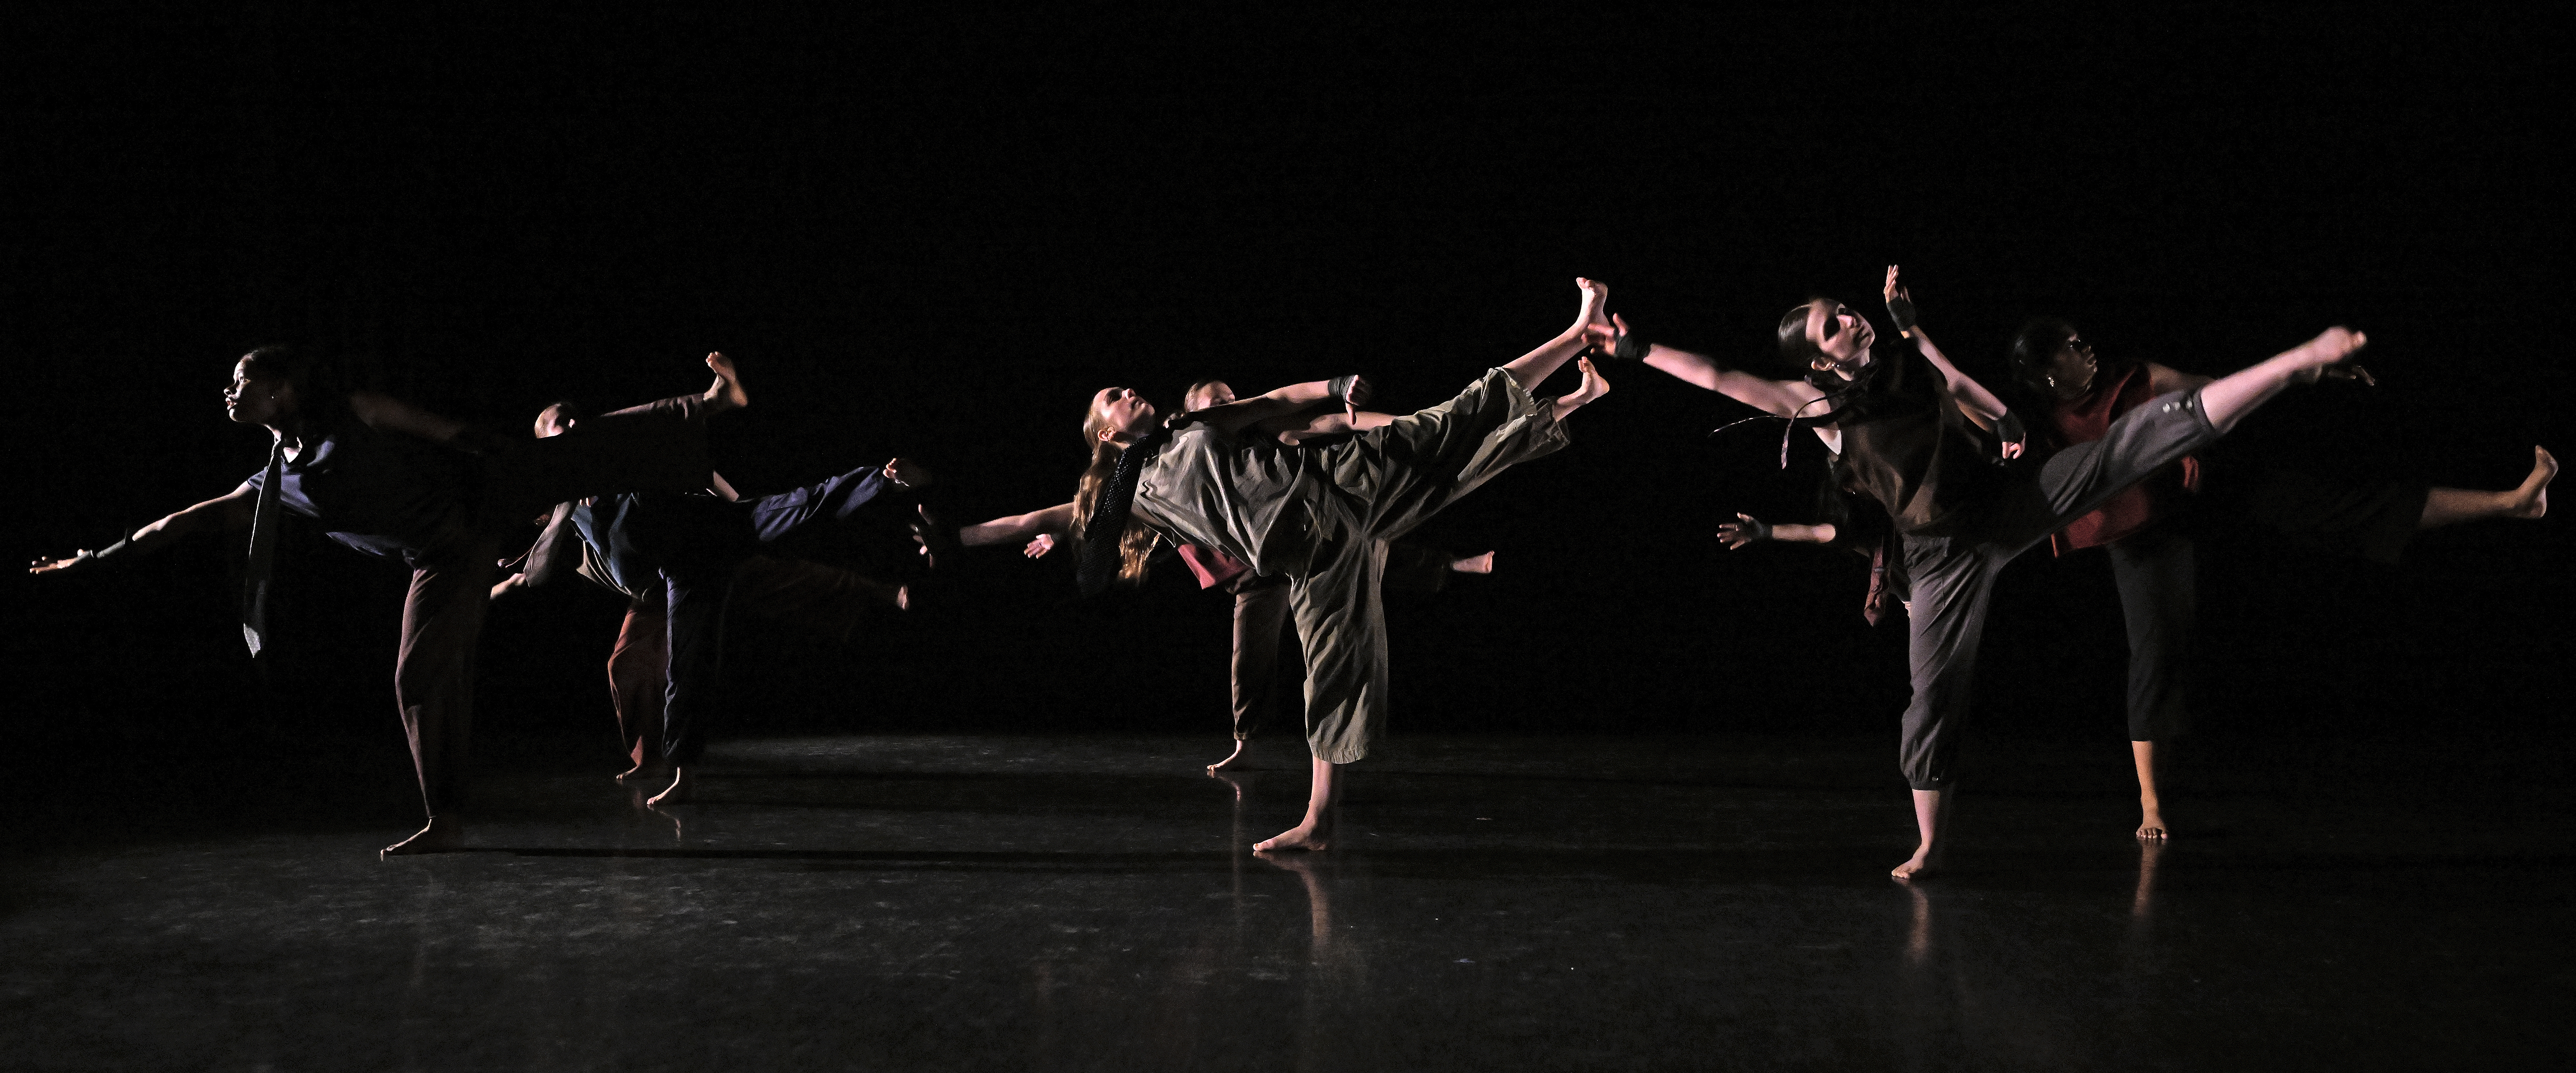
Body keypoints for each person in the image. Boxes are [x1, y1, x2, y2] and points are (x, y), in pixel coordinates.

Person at [1604, 266, 2368, 879]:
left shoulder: (1910, 361)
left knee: (2128, 445)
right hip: (1938, 559)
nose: (1849, 320)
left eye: (1845, 308)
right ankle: (1932, 847)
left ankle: (2297, 362)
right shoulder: (1819, 410)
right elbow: (1715, 375)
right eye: (1831, 324)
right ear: (1818, 359)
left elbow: (1986, 405)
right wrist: (1638, 351)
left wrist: (1953, 372)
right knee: (1933, 696)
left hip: (2006, 509)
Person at [31, 346, 746, 857]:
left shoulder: (357, 413)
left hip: (477, 503)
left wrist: (517, 472)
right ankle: (448, 818)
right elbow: (182, 520)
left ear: (283, 392)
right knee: (418, 677)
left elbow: (449, 433)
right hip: (443, 558)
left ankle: (709, 405)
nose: (231, 392)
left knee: (575, 446)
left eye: (244, 382)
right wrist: (96, 558)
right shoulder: (274, 484)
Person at [1075, 278, 1612, 851]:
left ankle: (1580, 332)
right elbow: (1094, 560)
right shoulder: (1132, 494)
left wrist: (1333, 386)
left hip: (1343, 482)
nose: (1128, 390)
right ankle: (1319, 821)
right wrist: (1111, 478)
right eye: (1114, 395)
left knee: (1456, 418)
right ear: (1106, 431)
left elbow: (1276, 403)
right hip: (1310, 552)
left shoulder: (1193, 428)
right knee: (1332, 670)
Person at [1997, 318, 2554, 840]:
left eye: (2081, 339)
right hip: (2143, 533)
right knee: (2157, 647)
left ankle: (2514, 502)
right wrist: (1908, 330)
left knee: (2338, 509)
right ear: (2049, 375)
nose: (2086, 347)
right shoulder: (2036, 427)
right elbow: (1965, 408)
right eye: (2071, 347)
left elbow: (2223, 389)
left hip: (2199, 485)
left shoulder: (2135, 375)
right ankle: (2150, 801)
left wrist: (2312, 369)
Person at [957, 378, 1499, 775]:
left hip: (1294, 534)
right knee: (1252, 655)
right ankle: (1251, 741)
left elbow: (1313, 416)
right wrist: (964, 539)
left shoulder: (1221, 435)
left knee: (1358, 544)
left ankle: (1451, 559)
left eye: (1226, 400)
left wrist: (1379, 410)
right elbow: (1043, 522)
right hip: (1249, 572)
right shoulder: (1141, 479)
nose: (1129, 394)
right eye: (1114, 397)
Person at [492, 401, 920, 803]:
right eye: (559, 424)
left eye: (574, 419)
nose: (572, 426)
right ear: (545, 446)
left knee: (797, 512)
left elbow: (698, 470)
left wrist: (740, 511)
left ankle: (884, 481)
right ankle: (667, 765)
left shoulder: (621, 454)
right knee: (657, 663)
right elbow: (537, 572)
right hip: (660, 586)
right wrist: (566, 504)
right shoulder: (558, 499)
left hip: (704, 540)